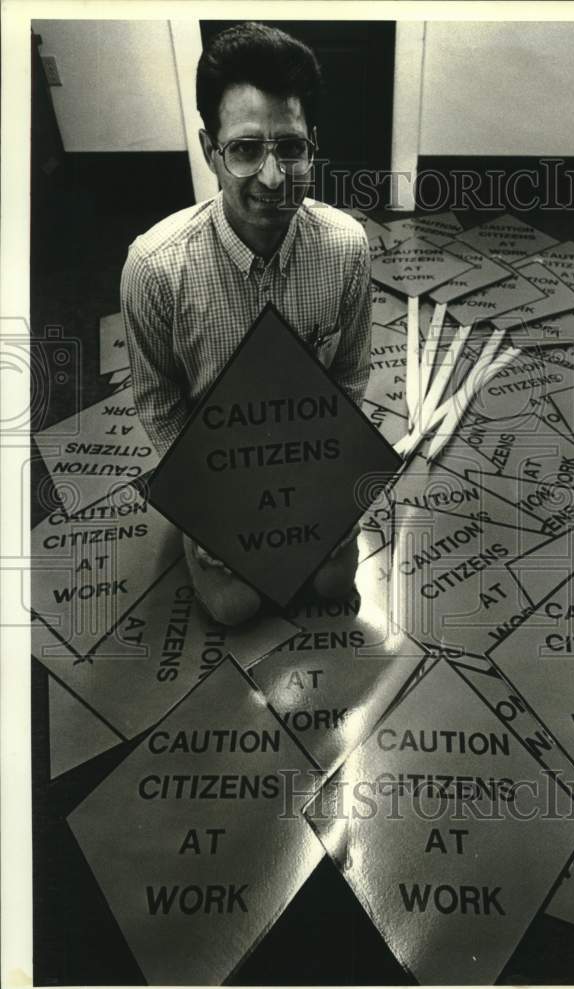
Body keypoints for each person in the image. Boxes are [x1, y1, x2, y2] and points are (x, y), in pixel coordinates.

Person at [120, 22, 371, 625]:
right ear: (212, 151)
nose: (273, 177)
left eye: (290, 147)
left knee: (335, 581)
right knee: (237, 608)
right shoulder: (154, 268)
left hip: (304, 455)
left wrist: (334, 488)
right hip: (217, 465)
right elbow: (159, 404)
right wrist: (206, 509)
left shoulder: (346, 248)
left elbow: (352, 377)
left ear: (312, 144)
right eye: (245, 149)